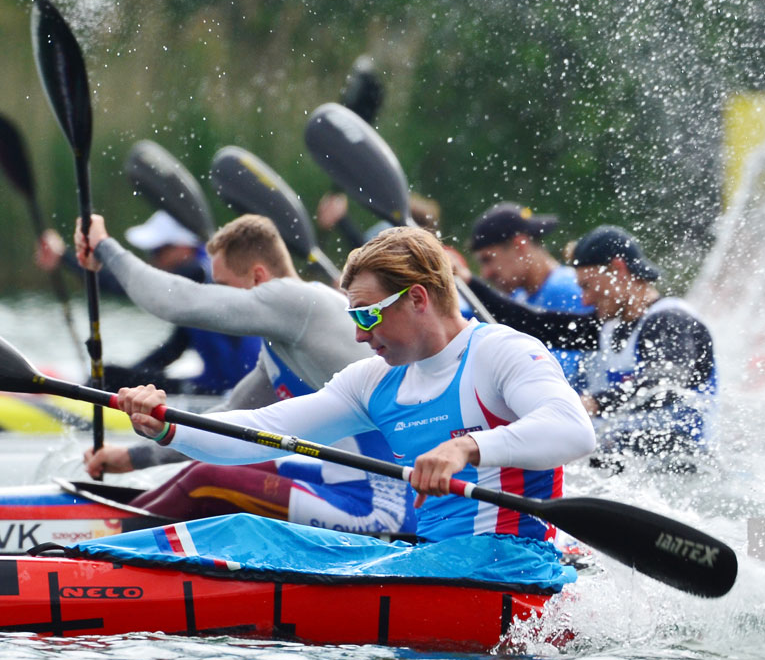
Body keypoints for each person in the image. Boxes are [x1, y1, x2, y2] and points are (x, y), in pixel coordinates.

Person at [115, 227, 596, 541]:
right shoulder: (373, 381)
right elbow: (260, 430)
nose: (360, 334)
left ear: (419, 299)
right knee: (247, 535)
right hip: (433, 562)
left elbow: (574, 430)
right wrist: (166, 427)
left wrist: (465, 449)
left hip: (512, 570)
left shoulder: (499, 352)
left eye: (368, 314)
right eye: (353, 317)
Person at [75, 212, 413, 534]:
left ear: (259, 278)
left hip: (386, 504)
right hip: (349, 484)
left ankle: (94, 539)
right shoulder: (283, 344)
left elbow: (176, 302)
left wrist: (105, 246)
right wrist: (132, 458)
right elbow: (223, 425)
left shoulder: (297, 300)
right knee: (210, 465)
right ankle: (104, 524)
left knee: (208, 481)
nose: (219, 299)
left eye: (222, 286)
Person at [457, 225, 717, 460]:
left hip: (684, 463)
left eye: (588, 286)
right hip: (631, 461)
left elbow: (668, 382)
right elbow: (533, 323)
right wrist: (468, 282)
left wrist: (594, 402)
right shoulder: (607, 326)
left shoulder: (673, 320)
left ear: (619, 269)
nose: (585, 300)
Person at [43, 210, 261, 394]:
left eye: (157, 250)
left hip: (232, 392)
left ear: (183, 247)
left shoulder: (197, 273)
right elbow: (172, 350)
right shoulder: (198, 283)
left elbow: (124, 286)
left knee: (110, 375)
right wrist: (128, 380)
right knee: (112, 375)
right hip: (216, 385)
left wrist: (65, 257)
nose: (152, 259)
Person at [468, 202, 590, 385]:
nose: (486, 273)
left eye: (488, 259)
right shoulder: (519, 296)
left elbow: (560, 378)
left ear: (520, 244)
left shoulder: (568, 288)